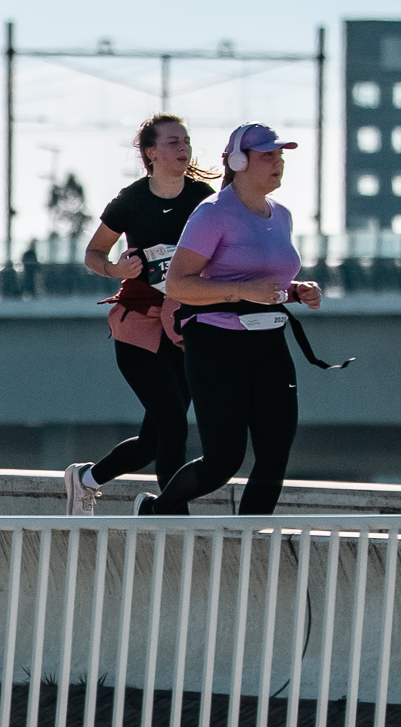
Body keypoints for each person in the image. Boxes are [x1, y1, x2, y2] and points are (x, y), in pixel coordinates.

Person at [138, 122, 323, 518]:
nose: (278, 163)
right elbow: (178, 284)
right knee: (223, 460)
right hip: (216, 343)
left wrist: (296, 291)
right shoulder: (212, 214)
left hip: (269, 339)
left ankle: (248, 542)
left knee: (275, 452)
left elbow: (263, 280)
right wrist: (243, 291)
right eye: (267, 155)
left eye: (280, 156)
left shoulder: (282, 215)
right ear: (239, 161)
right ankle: (154, 510)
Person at [61, 114, 212, 516]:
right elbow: (93, 253)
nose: (183, 149)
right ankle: (171, 519)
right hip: (138, 327)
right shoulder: (131, 200)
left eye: (186, 141)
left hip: (185, 326)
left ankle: (86, 479)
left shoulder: (203, 198)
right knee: (174, 426)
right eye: (173, 142)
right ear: (150, 153)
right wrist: (115, 269)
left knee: (153, 440)